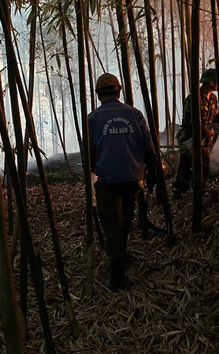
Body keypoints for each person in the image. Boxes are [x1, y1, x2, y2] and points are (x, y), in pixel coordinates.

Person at [88, 73, 160, 291]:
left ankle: (117, 280)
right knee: (126, 220)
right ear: (119, 92)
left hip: (108, 181)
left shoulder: (92, 119)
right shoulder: (135, 114)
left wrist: (95, 170)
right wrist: (152, 172)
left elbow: (90, 153)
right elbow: (148, 147)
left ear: (99, 95)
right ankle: (123, 254)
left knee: (111, 226)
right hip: (132, 179)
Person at [172, 68, 219, 200]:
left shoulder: (213, 99)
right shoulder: (193, 99)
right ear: (211, 82)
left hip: (204, 140)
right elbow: (191, 122)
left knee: (204, 165)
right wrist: (204, 131)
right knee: (186, 166)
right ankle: (178, 193)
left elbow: (215, 116)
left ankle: (199, 191)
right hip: (190, 139)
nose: (218, 84)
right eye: (217, 81)